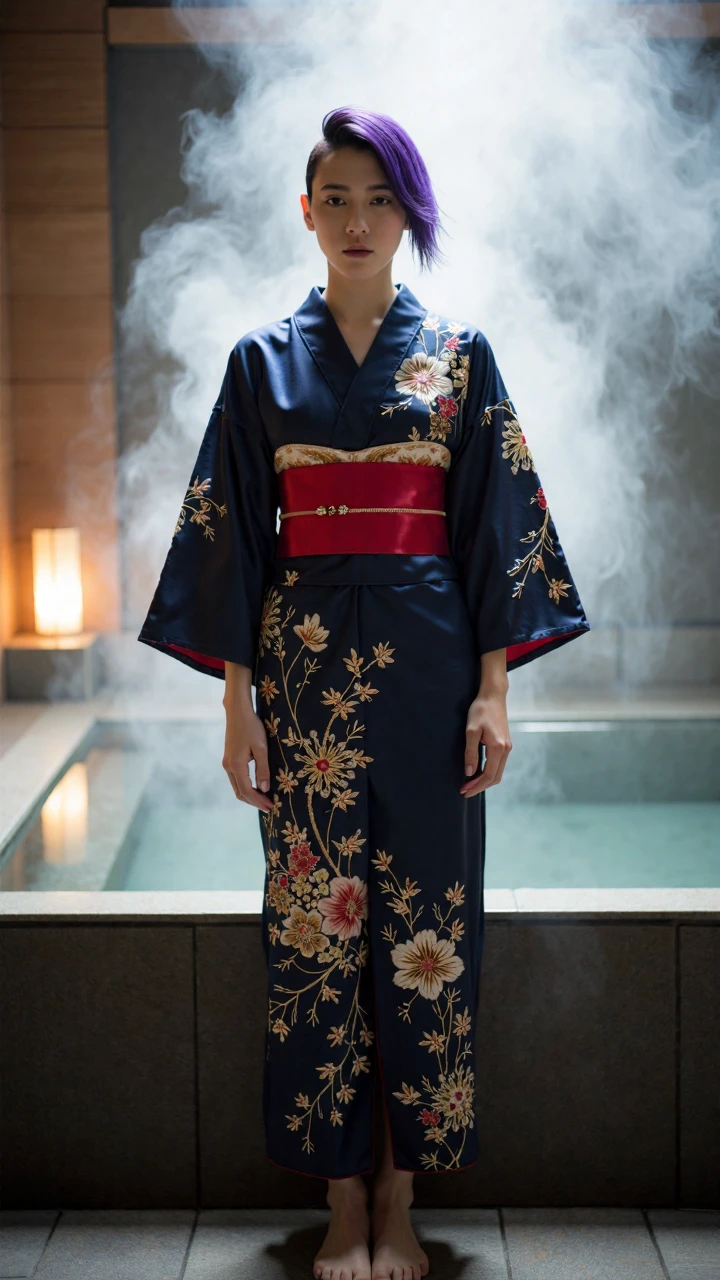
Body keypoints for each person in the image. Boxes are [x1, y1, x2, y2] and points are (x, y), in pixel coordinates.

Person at [138, 106, 590, 1280]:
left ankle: (403, 1194)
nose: (355, 220)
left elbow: (498, 533)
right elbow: (230, 536)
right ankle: (344, 1200)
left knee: (428, 925)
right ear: (304, 212)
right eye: (334, 199)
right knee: (311, 932)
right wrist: (237, 704)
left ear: (410, 213)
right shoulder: (260, 362)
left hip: (435, 671)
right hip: (303, 687)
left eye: (378, 199)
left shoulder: (461, 353)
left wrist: (495, 693)